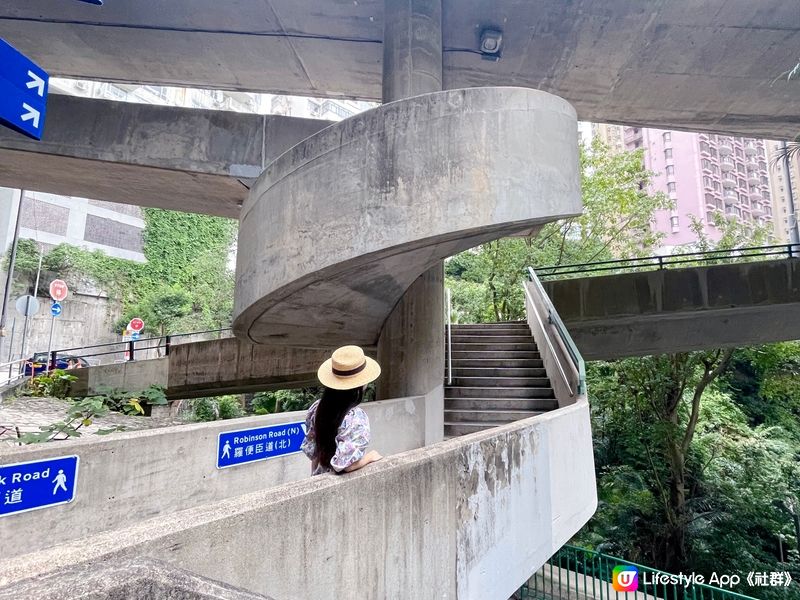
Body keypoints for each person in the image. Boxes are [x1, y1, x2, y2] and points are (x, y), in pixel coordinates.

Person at [301, 345, 383, 476]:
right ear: (360, 384)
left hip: (319, 477)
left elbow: (313, 453)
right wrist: (370, 457)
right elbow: (344, 466)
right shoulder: (355, 417)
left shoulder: (317, 407)